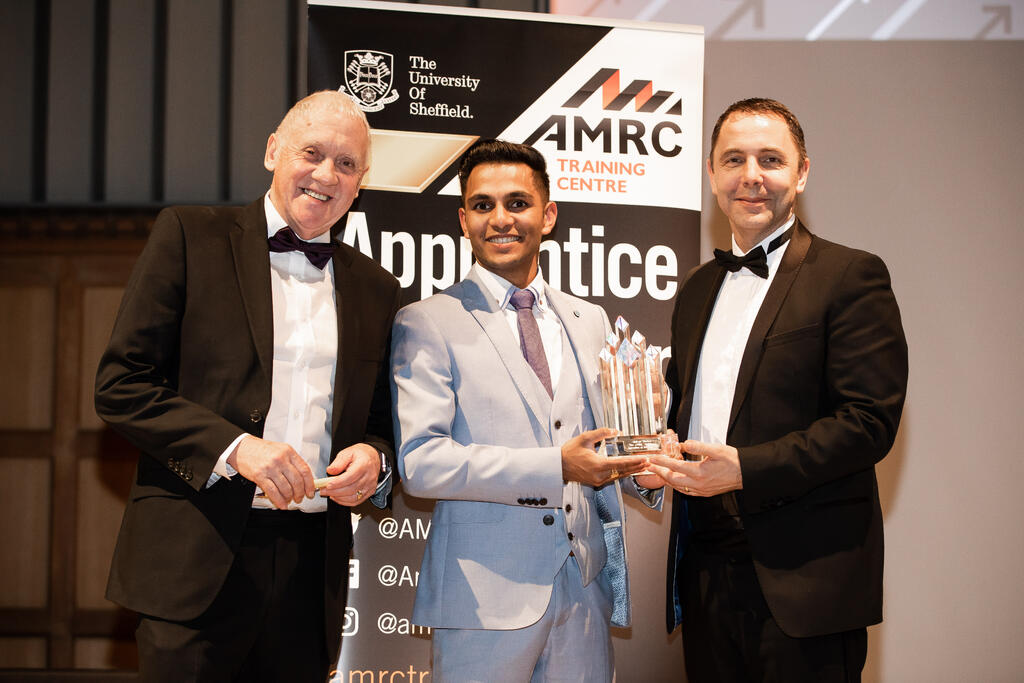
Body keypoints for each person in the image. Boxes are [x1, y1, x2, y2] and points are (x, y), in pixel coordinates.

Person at [95, 90, 401, 682]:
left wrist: (375, 457)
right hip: (194, 555)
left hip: (311, 569)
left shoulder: (377, 289)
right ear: (272, 151)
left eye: (345, 164)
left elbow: (380, 426)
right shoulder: (188, 235)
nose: (324, 175)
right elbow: (121, 384)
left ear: (361, 181)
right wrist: (238, 449)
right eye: (311, 152)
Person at [643, 98, 908, 682]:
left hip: (807, 582)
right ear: (712, 174)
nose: (751, 176)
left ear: (803, 172)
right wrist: (659, 454)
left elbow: (869, 422)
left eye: (771, 159)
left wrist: (745, 470)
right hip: (705, 569)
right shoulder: (693, 292)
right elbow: (688, 410)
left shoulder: (851, 275)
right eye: (733, 159)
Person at [390, 139, 661, 682]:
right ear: (463, 219)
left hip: (584, 594)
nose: (501, 220)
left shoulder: (589, 320)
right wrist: (555, 466)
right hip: (481, 602)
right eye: (484, 205)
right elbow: (422, 463)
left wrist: (645, 472)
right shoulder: (427, 321)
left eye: (517, 203)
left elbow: (606, 445)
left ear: (548, 214)